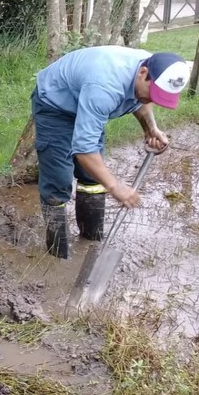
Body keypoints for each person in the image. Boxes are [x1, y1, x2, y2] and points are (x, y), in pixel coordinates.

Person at [32, 45, 190, 259]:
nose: (152, 99)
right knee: (58, 181)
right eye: (153, 93)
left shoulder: (150, 67)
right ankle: (58, 255)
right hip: (56, 105)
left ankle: (91, 242)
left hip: (88, 99)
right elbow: (85, 150)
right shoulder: (105, 87)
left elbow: (142, 99)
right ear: (142, 73)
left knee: (91, 176)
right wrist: (115, 187)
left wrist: (151, 128)